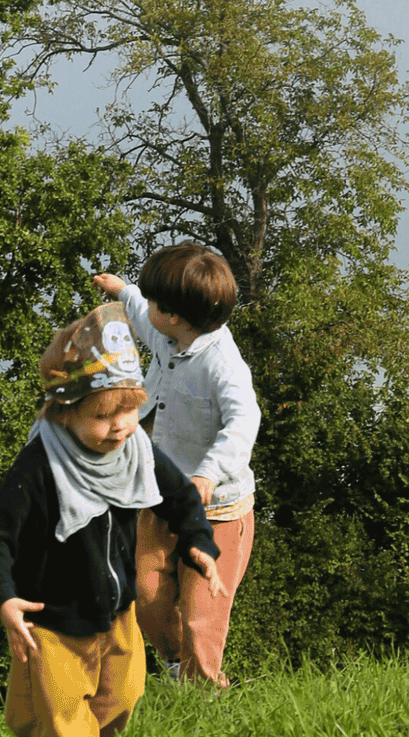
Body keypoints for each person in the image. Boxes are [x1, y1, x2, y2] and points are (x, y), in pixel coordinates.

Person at [0, 301, 226, 737]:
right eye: (102, 415)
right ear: (65, 411)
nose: (119, 427)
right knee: (63, 722)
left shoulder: (136, 452)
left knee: (123, 699)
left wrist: (197, 541)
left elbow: (181, 496)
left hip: (118, 614)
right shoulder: (39, 466)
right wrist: (4, 597)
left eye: (128, 411)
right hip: (55, 623)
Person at [91, 245, 261, 688]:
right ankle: (174, 662)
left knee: (202, 615)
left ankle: (205, 695)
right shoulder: (170, 335)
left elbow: (244, 422)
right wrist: (122, 291)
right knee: (145, 596)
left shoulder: (223, 365)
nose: (147, 310)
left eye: (153, 303)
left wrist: (208, 472)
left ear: (177, 315)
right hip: (163, 498)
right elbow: (142, 319)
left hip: (218, 511)